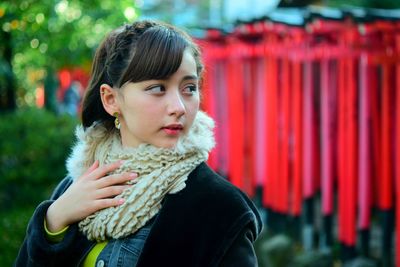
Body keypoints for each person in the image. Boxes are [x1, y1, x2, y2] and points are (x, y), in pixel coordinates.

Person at [14, 20, 262, 267]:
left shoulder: (220, 210)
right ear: (111, 99)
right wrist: (54, 222)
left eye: (189, 88)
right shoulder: (77, 184)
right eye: (157, 88)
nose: (178, 107)